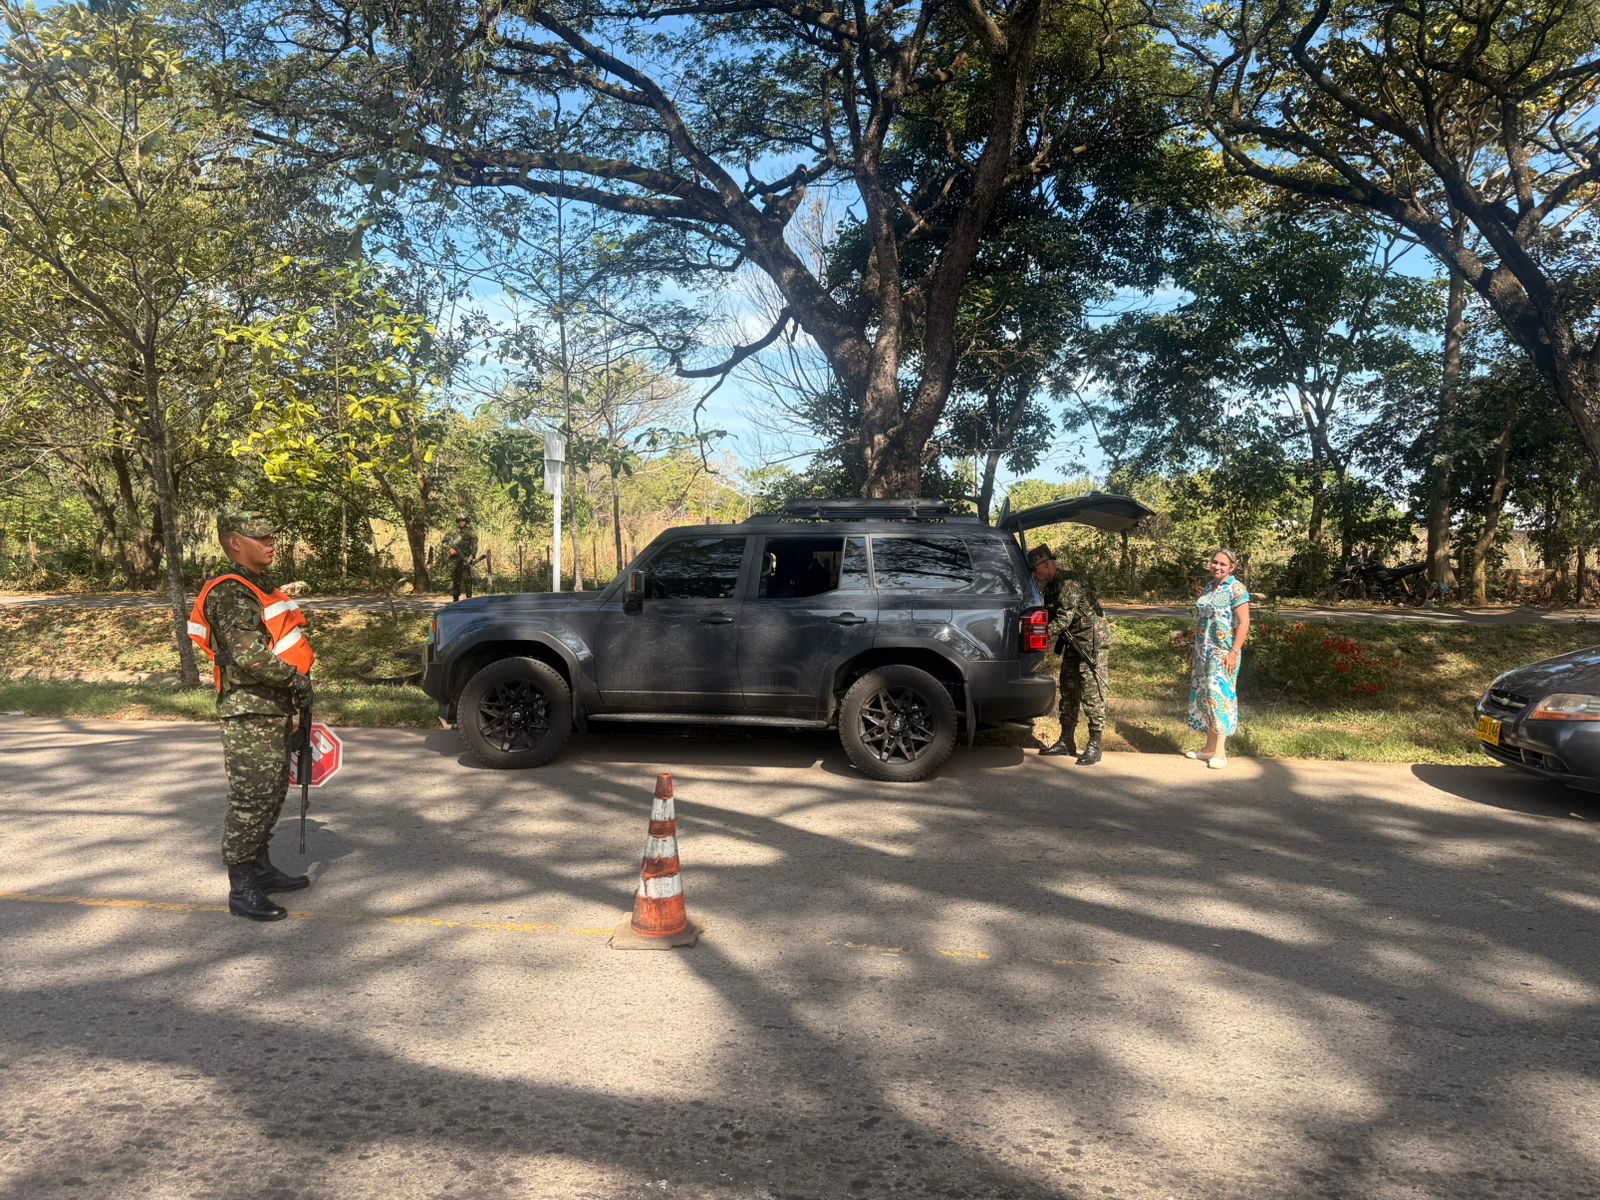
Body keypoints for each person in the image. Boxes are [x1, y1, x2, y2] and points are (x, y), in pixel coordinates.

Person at [187, 511, 316, 922]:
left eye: (271, 535)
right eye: (260, 537)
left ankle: (260, 870)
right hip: (248, 710)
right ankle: (241, 888)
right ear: (235, 543)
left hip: (270, 707)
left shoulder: (259, 587)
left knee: (272, 792)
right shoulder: (230, 591)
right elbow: (249, 656)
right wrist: (297, 681)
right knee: (252, 798)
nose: (270, 543)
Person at [1029, 544, 1109, 764]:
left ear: (1046, 565)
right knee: (1068, 689)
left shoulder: (1068, 583)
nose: (1035, 575)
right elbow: (1048, 614)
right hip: (1073, 642)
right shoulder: (1051, 587)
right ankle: (1066, 741)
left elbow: (1063, 619)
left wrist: (1039, 635)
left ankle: (1095, 745)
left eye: (1035, 570)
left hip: (1091, 643)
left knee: (1092, 693)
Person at [1186, 548, 1251, 769]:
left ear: (1232, 567)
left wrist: (1233, 652)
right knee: (1205, 696)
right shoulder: (1209, 587)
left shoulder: (1236, 588)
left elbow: (1244, 622)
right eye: (1215, 562)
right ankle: (1209, 748)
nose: (1217, 566)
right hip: (1203, 652)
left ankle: (1220, 753)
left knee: (1220, 697)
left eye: (1223, 564)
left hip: (1223, 653)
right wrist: (1195, 650)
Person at [447, 512, 479, 602]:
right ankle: (455, 601)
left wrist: (470, 558)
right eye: (459, 520)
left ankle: (469, 601)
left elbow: (475, 546)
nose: (461, 522)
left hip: (466, 560)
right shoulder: (452, 533)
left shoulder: (471, 533)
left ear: (466, 521)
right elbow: (445, 542)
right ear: (457, 522)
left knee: (468, 581)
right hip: (455, 561)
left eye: (463, 520)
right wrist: (449, 549)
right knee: (456, 581)